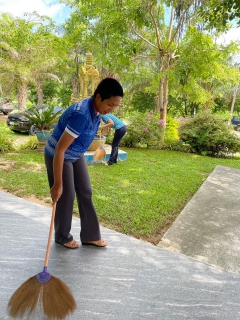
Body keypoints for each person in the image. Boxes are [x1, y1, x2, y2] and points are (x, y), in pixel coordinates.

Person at [44, 78, 124, 249]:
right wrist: (58, 184)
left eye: (115, 106)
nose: (112, 109)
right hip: (59, 154)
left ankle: (90, 236)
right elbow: (60, 150)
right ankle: (62, 236)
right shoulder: (81, 114)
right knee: (65, 194)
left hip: (76, 154)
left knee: (85, 190)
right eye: (110, 104)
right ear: (98, 97)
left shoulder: (97, 111)